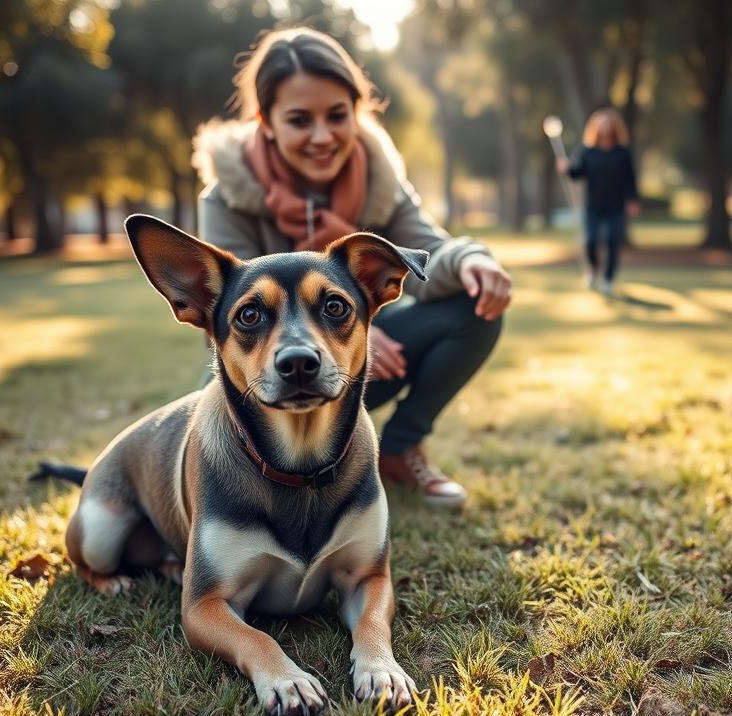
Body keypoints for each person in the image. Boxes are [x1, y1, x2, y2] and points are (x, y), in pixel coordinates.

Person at [191, 27, 511, 507]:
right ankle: (262, 480)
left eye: (337, 115)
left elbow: (427, 248)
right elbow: (227, 315)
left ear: (356, 112)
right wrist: (343, 329)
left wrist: (472, 258)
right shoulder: (226, 197)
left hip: (354, 368)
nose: (323, 136)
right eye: (300, 120)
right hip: (265, 377)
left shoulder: (381, 180)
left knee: (475, 305)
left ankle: (400, 450)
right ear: (267, 121)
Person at [556, 107, 640, 296]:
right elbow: (576, 173)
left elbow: (630, 177)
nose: (604, 127)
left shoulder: (622, 152)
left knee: (612, 241)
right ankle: (593, 271)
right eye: (601, 123)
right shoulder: (588, 151)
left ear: (614, 127)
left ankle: (608, 279)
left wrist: (633, 199)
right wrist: (566, 168)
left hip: (616, 205)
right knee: (591, 241)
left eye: (608, 123)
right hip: (593, 205)